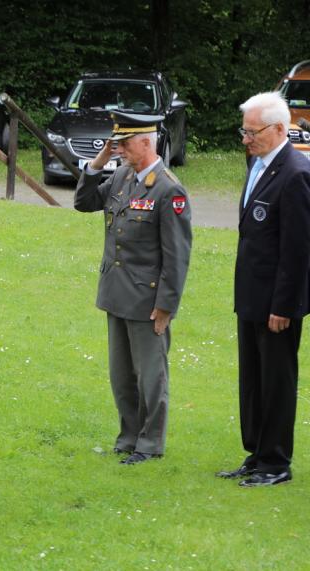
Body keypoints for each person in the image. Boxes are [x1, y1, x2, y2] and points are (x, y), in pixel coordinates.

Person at [74, 111, 192, 465]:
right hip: (116, 293)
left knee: (150, 377)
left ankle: (150, 443)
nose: (119, 149)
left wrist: (166, 306)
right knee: (121, 375)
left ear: (145, 142)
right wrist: (98, 163)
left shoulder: (169, 188)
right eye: (117, 144)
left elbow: (177, 255)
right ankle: (128, 436)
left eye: (123, 144)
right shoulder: (123, 176)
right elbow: (84, 203)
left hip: (147, 298)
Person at [216, 92, 310, 487]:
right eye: (244, 131)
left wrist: (284, 306)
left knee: (276, 380)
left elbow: (298, 250)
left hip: (276, 303)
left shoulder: (295, 173)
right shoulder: (258, 164)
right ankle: (256, 454)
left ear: (276, 129)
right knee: (252, 379)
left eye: (251, 132)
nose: (245, 139)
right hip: (251, 296)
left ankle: (276, 462)